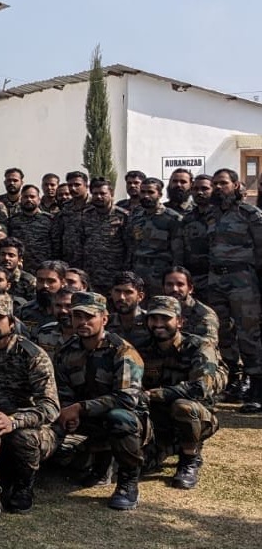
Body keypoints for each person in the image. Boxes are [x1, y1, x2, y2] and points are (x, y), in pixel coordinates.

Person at [53, 292, 147, 511]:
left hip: (129, 422)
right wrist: (68, 412)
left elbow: (126, 399)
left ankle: (128, 482)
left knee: (120, 418)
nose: (83, 322)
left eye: (89, 317)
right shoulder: (67, 351)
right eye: (78, 316)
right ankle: (99, 461)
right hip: (87, 420)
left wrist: (80, 408)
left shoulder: (122, 352)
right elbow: (62, 390)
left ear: (104, 319)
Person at [0, 295, 60, 513]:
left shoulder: (32, 356)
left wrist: (14, 421)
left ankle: (23, 486)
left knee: (22, 438)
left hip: (33, 427)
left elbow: (50, 406)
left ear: (11, 321)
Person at [138, 296, 227, 489]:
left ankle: (189, 459)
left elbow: (200, 387)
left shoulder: (199, 347)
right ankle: (170, 446)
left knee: (183, 406)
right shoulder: (143, 350)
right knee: (138, 464)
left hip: (196, 416)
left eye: (165, 318)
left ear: (179, 321)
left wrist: (158, 394)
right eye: (154, 319)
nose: (159, 324)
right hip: (158, 418)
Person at [205, 168, 262, 412]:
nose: (219, 188)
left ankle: (257, 389)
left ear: (236, 185)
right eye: (215, 184)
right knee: (222, 334)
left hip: (243, 280)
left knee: (249, 334)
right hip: (215, 280)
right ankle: (233, 382)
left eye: (223, 183)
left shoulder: (251, 214)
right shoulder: (210, 215)